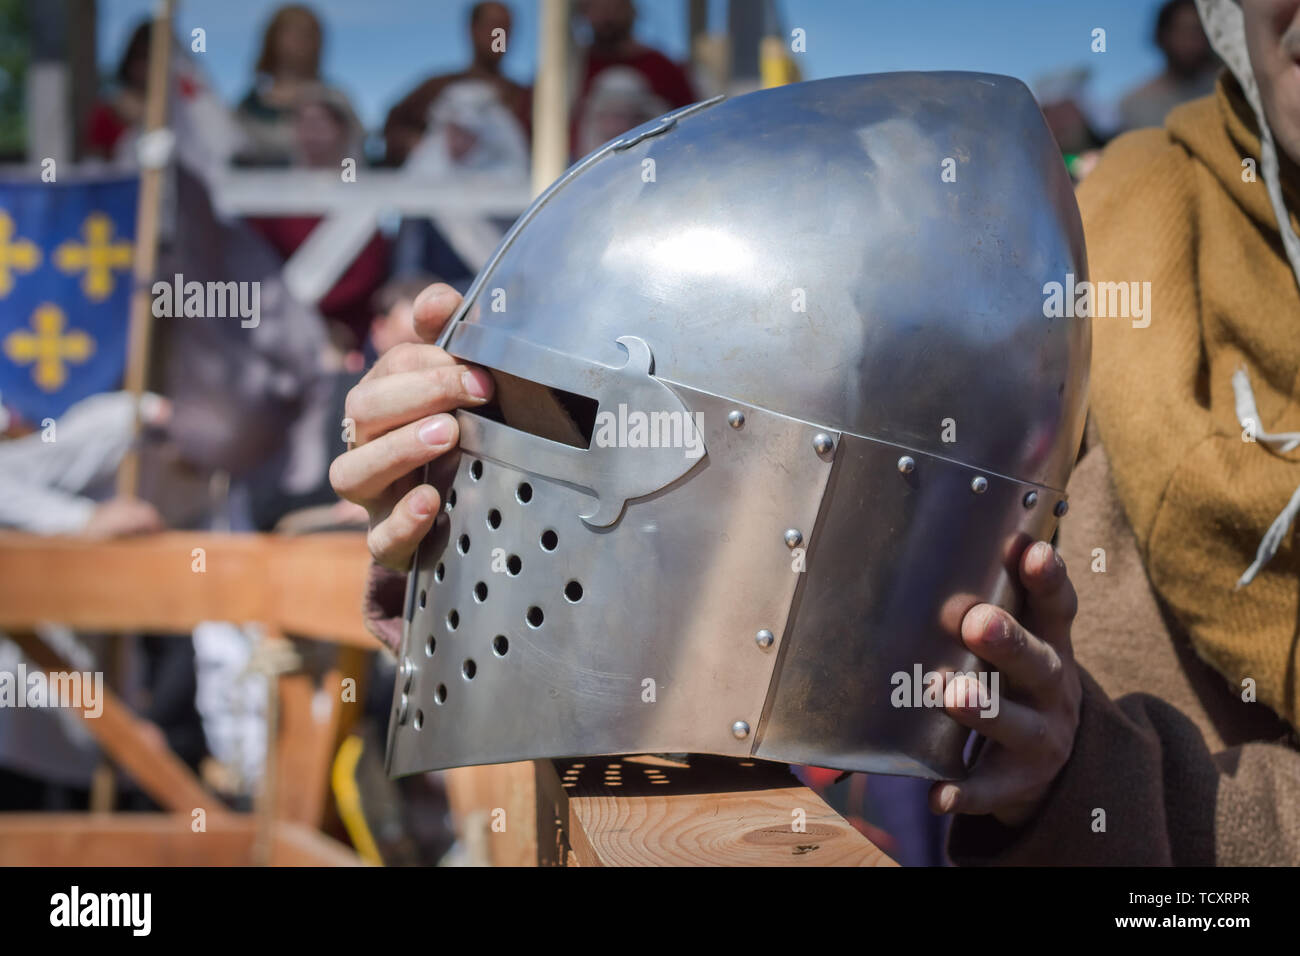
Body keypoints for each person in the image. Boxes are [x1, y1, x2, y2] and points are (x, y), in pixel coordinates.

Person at [383, 1, 530, 167]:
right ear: (472, 30)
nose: (500, 37)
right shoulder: (436, 88)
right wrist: (420, 147)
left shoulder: (526, 97)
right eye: (494, 28)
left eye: (506, 30)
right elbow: (392, 131)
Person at [234, 4, 362, 167]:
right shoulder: (248, 107)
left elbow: (355, 155)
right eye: (291, 32)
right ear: (272, 38)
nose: (300, 40)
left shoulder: (335, 101)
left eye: (308, 34)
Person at [572, 0, 697, 155]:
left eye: (616, 7)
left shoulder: (662, 67)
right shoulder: (573, 70)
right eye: (596, 8)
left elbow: (692, 124)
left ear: (631, 9)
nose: (607, 16)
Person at [1118, 0, 1220, 131]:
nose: (1191, 42)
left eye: (1198, 32)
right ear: (1162, 36)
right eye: (1183, 31)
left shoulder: (1227, 92)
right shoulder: (1135, 104)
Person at [85, 21, 150, 162]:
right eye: (139, 57)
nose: (144, 67)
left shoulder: (183, 115)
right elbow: (96, 165)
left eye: (150, 59)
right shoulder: (107, 112)